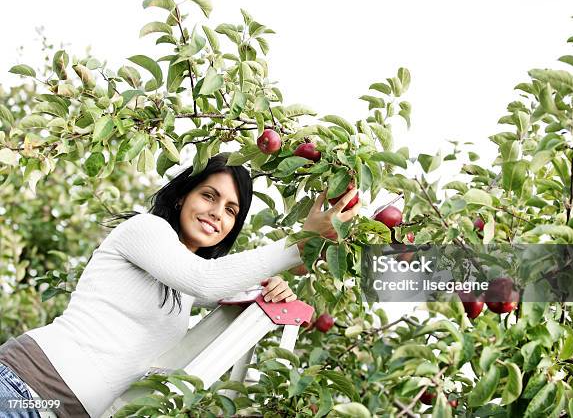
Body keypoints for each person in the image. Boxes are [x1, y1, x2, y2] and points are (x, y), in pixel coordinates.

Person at [0, 153, 361, 418]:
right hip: (21, 387)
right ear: (181, 196)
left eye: (232, 210)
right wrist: (298, 241)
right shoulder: (147, 230)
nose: (218, 213)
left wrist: (278, 283)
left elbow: (235, 284)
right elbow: (207, 281)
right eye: (209, 196)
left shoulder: (183, 282)